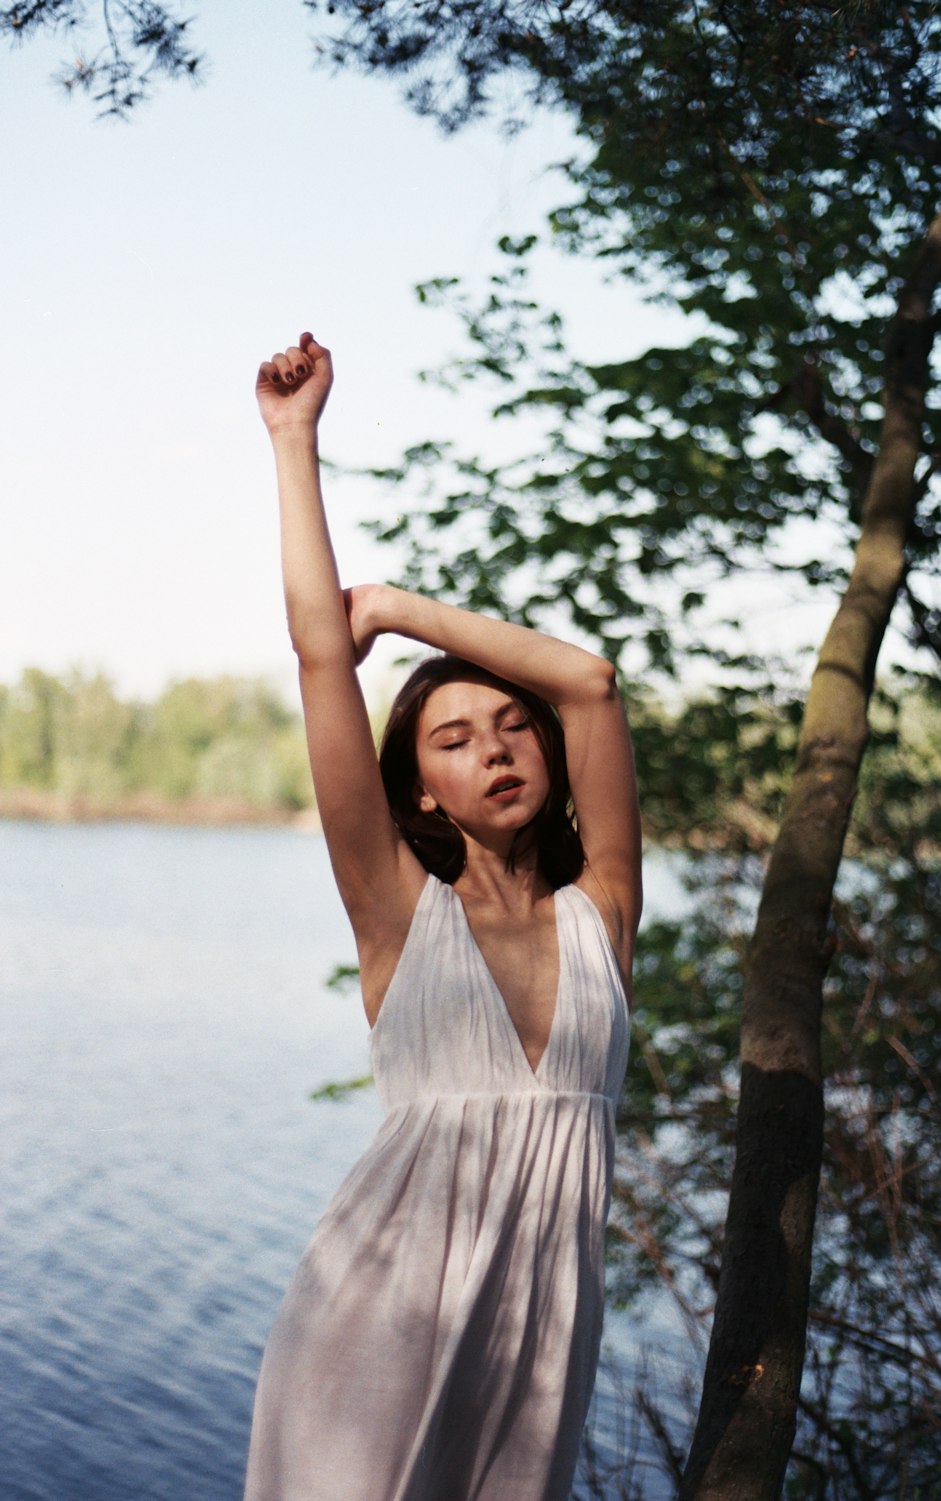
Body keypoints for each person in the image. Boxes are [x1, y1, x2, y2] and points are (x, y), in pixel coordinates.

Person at [243, 333, 642, 1501]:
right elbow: (324, 656)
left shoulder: (601, 918)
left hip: (537, 1343)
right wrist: (293, 439)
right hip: (370, 1325)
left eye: (511, 728)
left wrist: (410, 611)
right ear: (419, 786)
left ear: (552, 759)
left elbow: (591, 683)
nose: (496, 751)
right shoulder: (395, 910)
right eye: (454, 741)